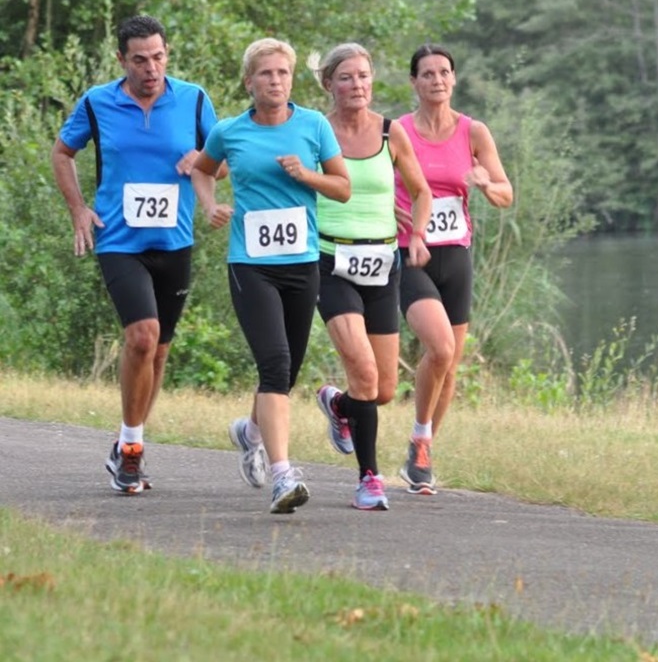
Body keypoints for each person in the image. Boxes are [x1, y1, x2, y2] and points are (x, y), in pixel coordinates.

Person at [50, 14, 219, 495]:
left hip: (174, 243)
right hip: (120, 241)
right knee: (142, 337)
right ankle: (130, 450)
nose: (151, 68)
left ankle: (130, 440)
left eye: (159, 57)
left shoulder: (193, 100)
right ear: (121, 59)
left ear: (168, 54)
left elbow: (221, 160)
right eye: (140, 59)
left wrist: (201, 162)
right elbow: (63, 153)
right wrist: (78, 209)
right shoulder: (97, 103)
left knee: (159, 350)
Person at [190, 38, 350, 514]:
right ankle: (284, 476)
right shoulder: (229, 131)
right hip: (251, 264)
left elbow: (342, 188)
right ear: (249, 82)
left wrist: (307, 176)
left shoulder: (314, 125)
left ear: (292, 78)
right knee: (275, 364)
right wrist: (210, 205)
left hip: (301, 264)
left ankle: (252, 432)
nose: (275, 81)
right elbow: (203, 170)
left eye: (283, 72)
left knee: (286, 370)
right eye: (266, 74)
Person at [311, 43, 432, 510]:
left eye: (363, 76)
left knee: (380, 389)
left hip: (384, 264)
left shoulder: (391, 133)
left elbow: (420, 192)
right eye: (346, 78)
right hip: (330, 262)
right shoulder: (316, 132)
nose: (357, 85)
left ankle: (339, 405)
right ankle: (369, 479)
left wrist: (417, 233)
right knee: (362, 372)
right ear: (329, 84)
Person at [393, 44, 513, 494]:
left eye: (444, 72)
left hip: (455, 256)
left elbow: (506, 194)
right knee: (440, 349)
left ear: (454, 79)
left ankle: (420, 452)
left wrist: (486, 184)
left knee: (450, 366)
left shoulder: (473, 132)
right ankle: (421, 439)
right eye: (427, 74)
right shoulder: (399, 132)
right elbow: (371, 187)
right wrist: (397, 213)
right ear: (414, 82)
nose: (437, 80)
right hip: (412, 253)